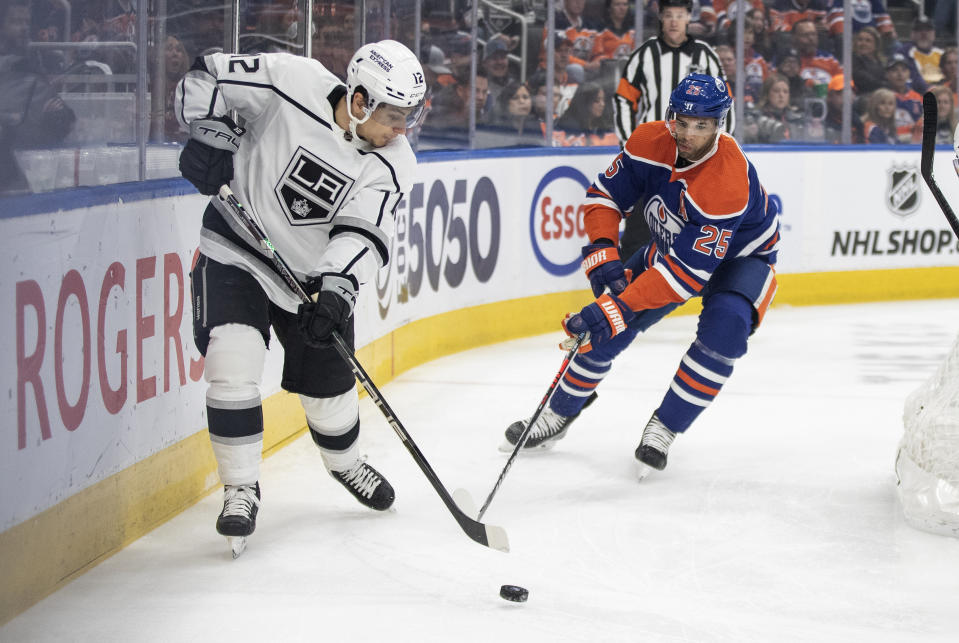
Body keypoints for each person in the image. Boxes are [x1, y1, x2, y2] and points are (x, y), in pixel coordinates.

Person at [174, 40, 427, 551]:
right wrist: (210, 133)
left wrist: (336, 289)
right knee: (232, 357)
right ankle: (240, 489)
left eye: (409, 118)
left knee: (330, 398)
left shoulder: (393, 162)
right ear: (359, 102)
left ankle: (346, 464)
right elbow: (206, 75)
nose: (402, 131)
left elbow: (363, 233)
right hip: (236, 246)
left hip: (309, 280)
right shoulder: (289, 80)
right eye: (395, 117)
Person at [502, 73, 779, 481]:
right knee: (606, 326)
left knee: (726, 330)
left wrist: (618, 307)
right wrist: (602, 251)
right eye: (681, 121)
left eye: (701, 125)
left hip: (743, 257)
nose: (687, 133)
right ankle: (557, 412)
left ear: (719, 124)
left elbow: (684, 277)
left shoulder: (727, 179)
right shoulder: (649, 140)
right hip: (676, 248)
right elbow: (604, 196)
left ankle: (664, 427)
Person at [613, 0, 732, 146]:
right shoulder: (645, 54)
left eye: (679, 16)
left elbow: (725, 102)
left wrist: (717, 144)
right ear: (661, 17)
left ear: (689, 17)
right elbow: (624, 99)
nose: (674, 22)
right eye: (669, 15)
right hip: (652, 146)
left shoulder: (705, 55)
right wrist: (629, 144)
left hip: (695, 148)